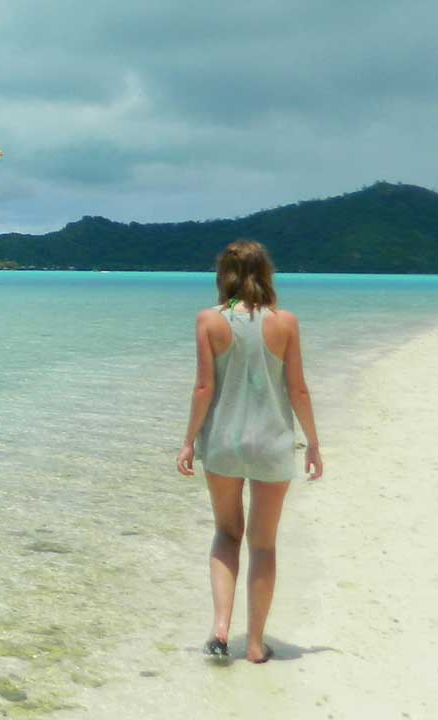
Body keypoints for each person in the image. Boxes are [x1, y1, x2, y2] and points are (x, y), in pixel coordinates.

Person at [174, 239, 322, 663]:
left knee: (226, 534)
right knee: (263, 545)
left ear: (224, 275)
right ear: (266, 273)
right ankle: (255, 644)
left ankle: (220, 632)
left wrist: (188, 441)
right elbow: (297, 389)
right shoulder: (286, 322)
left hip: (222, 442)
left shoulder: (209, 321)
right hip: (272, 445)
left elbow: (204, 388)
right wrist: (312, 442)